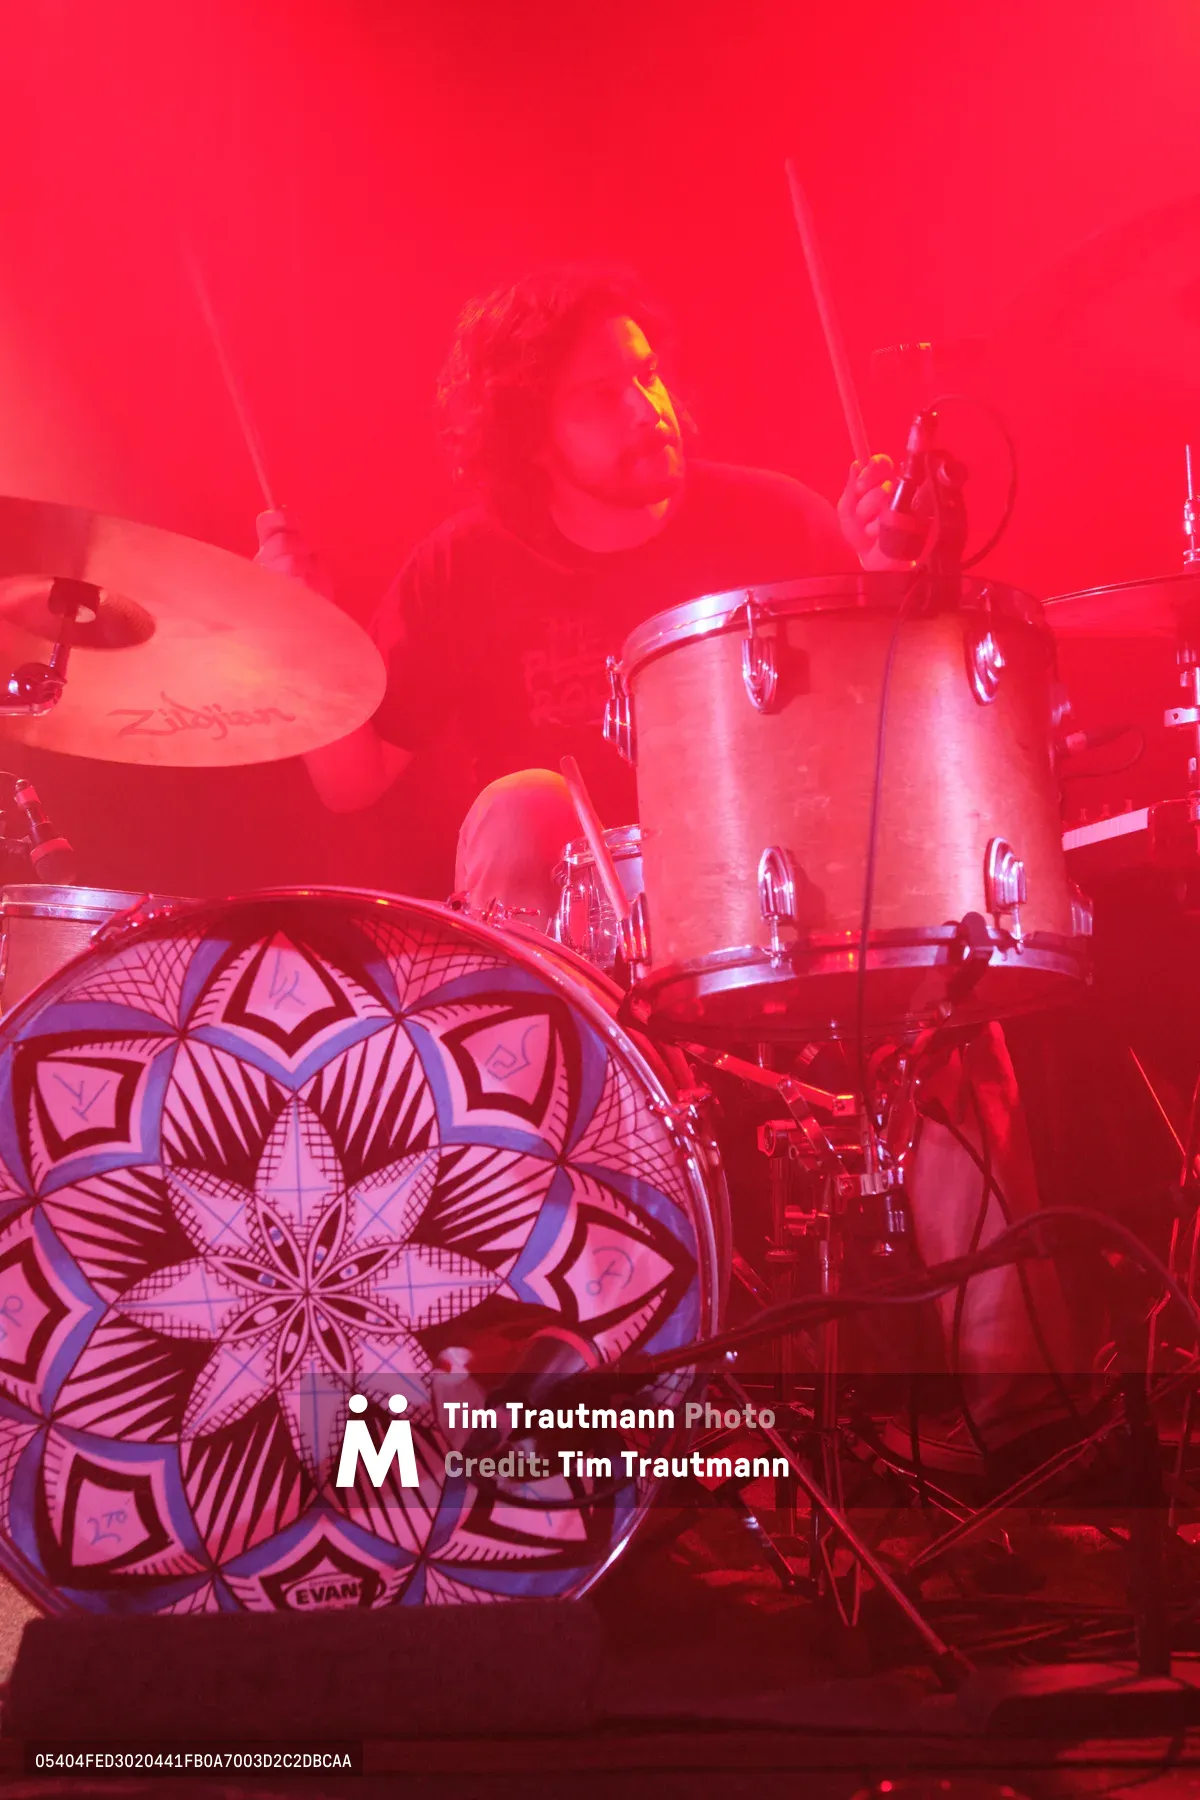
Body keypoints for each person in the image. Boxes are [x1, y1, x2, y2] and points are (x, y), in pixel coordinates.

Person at [256, 267, 1079, 1479]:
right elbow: (349, 781)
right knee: (521, 804)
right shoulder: (461, 568)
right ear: (527, 431)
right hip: (579, 951)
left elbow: (893, 720)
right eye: (604, 390)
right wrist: (290, 632)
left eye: (647, 371)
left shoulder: (775, 518)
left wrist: (888, 578)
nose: (649, 401)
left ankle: (1023, 1422)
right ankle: (552, 1392)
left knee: (951, 984)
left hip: (779, 905)